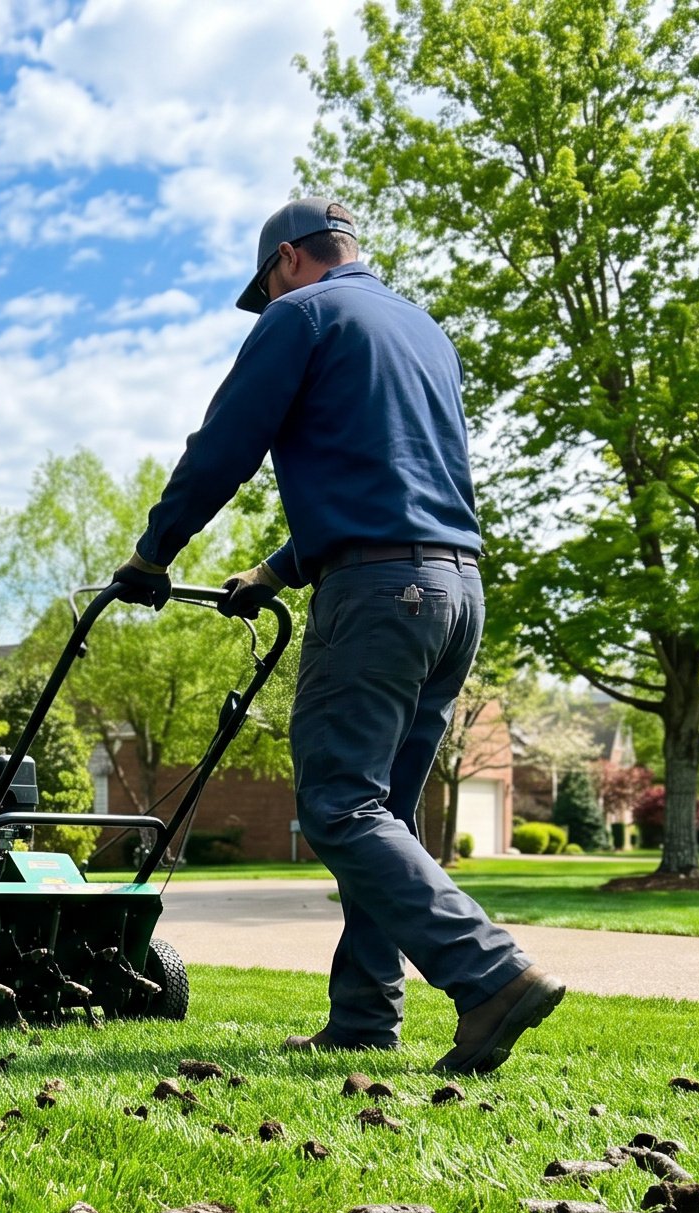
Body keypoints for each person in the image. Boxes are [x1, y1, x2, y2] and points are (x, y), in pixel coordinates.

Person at [103, 196, 563, 1074]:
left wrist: (154, 553)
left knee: (338, 805)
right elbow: (397, 477)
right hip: (456, 591)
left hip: (378, 595)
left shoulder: (301, 316)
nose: (269, 302)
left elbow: (224, 447)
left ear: (285, 259)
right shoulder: (424, 332)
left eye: (267, 287)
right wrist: (274, 572)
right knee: (383, 816)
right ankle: (364, 1016)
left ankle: (491, 973)